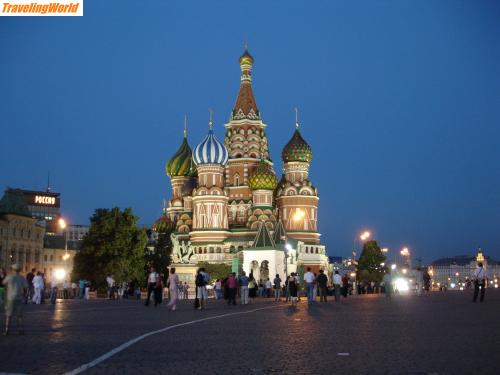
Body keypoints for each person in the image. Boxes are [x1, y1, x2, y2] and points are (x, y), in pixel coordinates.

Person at [3, 264, 28, 335]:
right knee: (19, 315)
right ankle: (20, 329)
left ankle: (7, 330)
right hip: (19, 298)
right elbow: (26, 287)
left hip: (10, 298)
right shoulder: (22, 277)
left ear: (12, 269)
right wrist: (24, 295)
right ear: (19, 270)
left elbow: (3, 283)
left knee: (9, 315)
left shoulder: (9, 277)